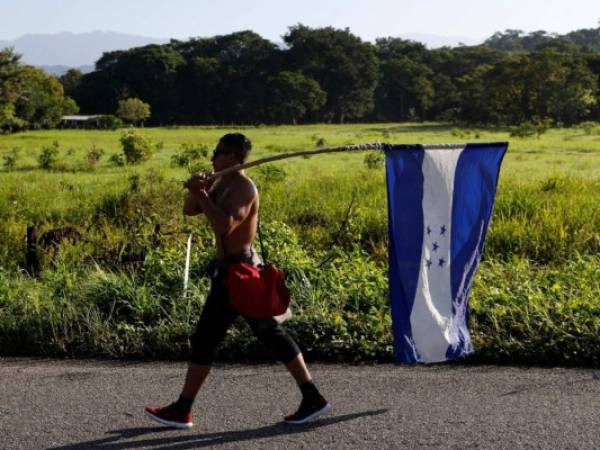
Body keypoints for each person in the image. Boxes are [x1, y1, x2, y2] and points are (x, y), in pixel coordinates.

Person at [144, 133, 331, 429]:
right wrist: (198, 190)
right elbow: (190, 210)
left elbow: (225, 225)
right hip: (227, 273)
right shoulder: (223, 183)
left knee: (235, 337)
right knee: (257, 335)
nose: (211, 158)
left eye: (216, 153)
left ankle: (183, 408)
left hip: (240, 274)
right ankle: (311, 397)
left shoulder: (244, 188)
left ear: (230, 157)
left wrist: (204, 195)